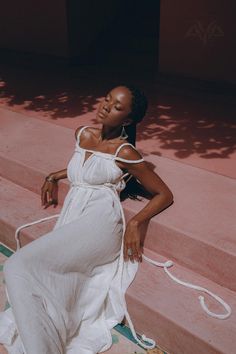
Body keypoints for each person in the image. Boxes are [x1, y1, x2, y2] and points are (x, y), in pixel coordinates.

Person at [0, 85, 173, 354]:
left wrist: (137, 222)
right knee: (29, 269)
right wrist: (54, 176)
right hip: (75, 216)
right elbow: (83, 169)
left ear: (128, 120)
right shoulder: (83, 134)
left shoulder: (125, 152)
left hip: (100, 223)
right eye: (106, 99)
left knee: (17, 265)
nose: (105, 106)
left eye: (116, 106)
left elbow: (164, 194)